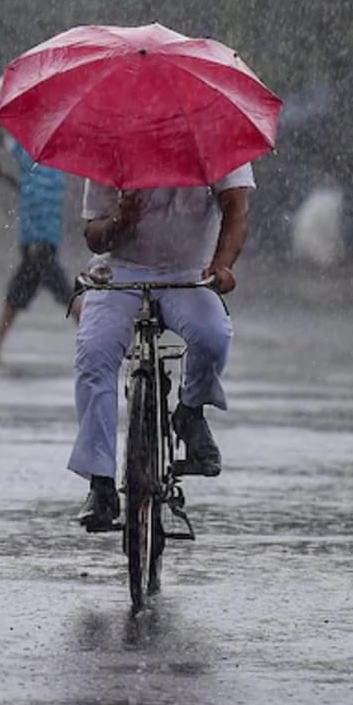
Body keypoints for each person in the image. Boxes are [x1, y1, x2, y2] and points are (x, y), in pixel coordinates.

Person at [72, 165, 254, 530]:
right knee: (93, 355)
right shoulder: (113, 145)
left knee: (213, 337)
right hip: (121, 271)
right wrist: (118, 221)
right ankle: (100, 482)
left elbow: (236, 209)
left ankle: (190, 411)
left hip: (188, 273)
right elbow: (93, 236)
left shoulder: (213, 142)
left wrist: (223, 265)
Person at [0, 127, 77, 363]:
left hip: (39, 244)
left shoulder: (34, 155)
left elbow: (13, 148)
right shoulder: (51, 170)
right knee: (17, 295)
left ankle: (96, 340)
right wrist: (1, 174)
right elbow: (27, 190)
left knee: (64, 294)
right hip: (40, 242)